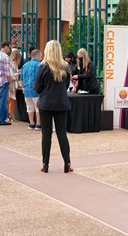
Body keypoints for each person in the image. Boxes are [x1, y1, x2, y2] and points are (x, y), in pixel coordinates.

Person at [34, 40, 73, 174]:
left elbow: (37, 87)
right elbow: (67, 85)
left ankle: (45, 164)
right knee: (62, 134)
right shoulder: (65, 67)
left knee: (46, 134)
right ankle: (67, 163)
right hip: (61, 103)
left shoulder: (43, 66)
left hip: (46, 103)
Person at [21, 49, 42, 130]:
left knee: (29, 107)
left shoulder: (25, 65)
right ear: (37, 56)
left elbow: (21, 79)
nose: (41, 57)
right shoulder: (39, 65)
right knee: (38, 107)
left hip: (27, 90)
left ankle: (31, 123)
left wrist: (23, 88)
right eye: (40, 55)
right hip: (36, 90)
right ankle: (38, 124)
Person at [7, 49, 22, 122]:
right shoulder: (12, 63)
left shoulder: (11, 63)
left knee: (11, 100)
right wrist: (18, 73)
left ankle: (11, 115)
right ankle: (10, 114)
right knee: (11, 100)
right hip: (12, 84)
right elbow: (11, 75)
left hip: (11, 84)